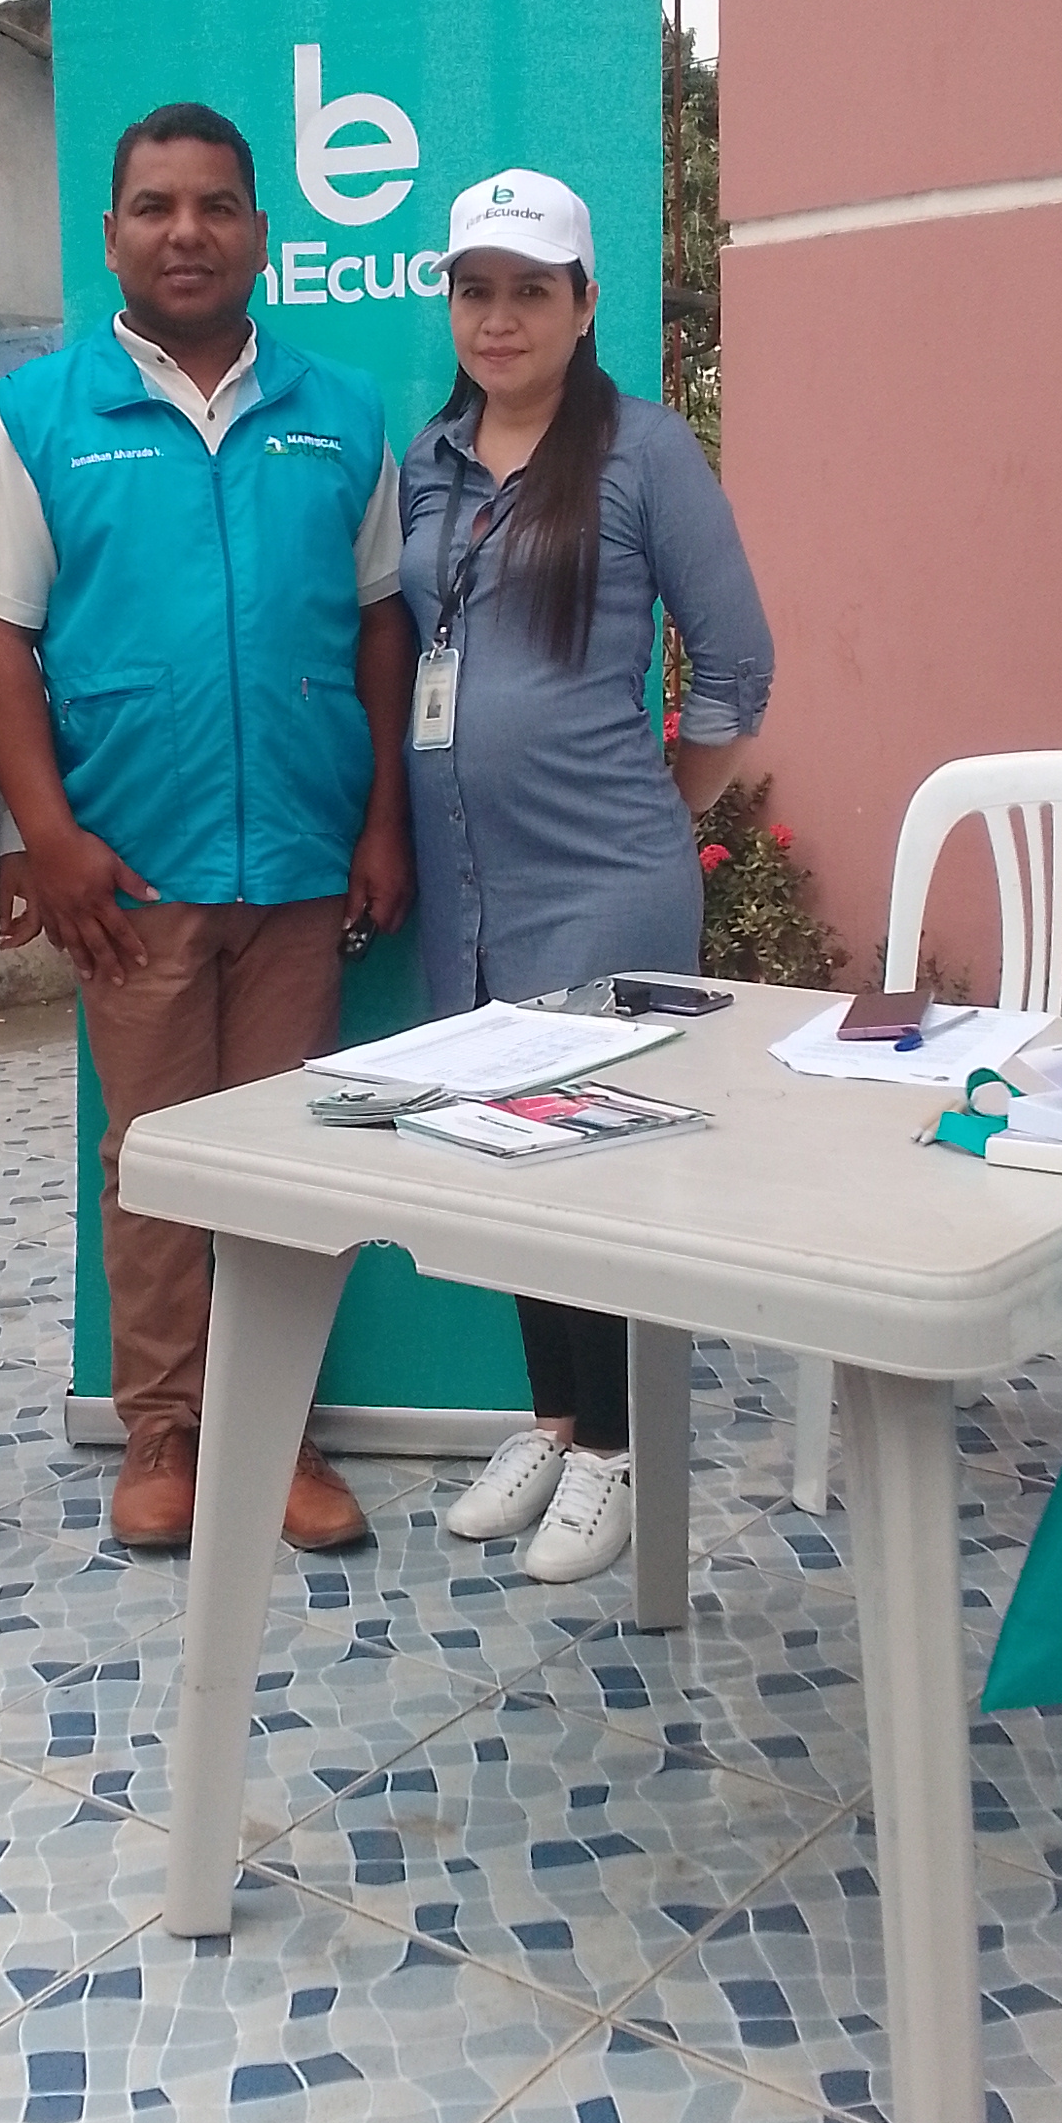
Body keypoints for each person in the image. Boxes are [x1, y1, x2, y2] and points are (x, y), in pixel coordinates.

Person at [0, 101, 416, 1554]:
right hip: (128, 869)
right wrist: (48, 836)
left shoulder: (341, 414)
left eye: (215, 206)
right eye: (156, 207)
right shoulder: (41, 417)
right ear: (112, 236)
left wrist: (382, 819)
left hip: (300, 865)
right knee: (152, 1158)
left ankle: (281, 1431)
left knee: (285, 1162)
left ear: (262, 233)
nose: (186, 232)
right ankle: (165, 1429)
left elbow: (380, 625)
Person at [398, 168, 773, 1584]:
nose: (499, 319)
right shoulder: (432, 457)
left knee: (596, 1171)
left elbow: (737, 663)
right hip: (469, 891)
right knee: (504, 1163)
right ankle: (555, 1421)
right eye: (475, 291)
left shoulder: (642, 452)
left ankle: (619, 1449)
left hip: (605, 885)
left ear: (583, 304)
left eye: (530, 291)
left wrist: (666, 813)